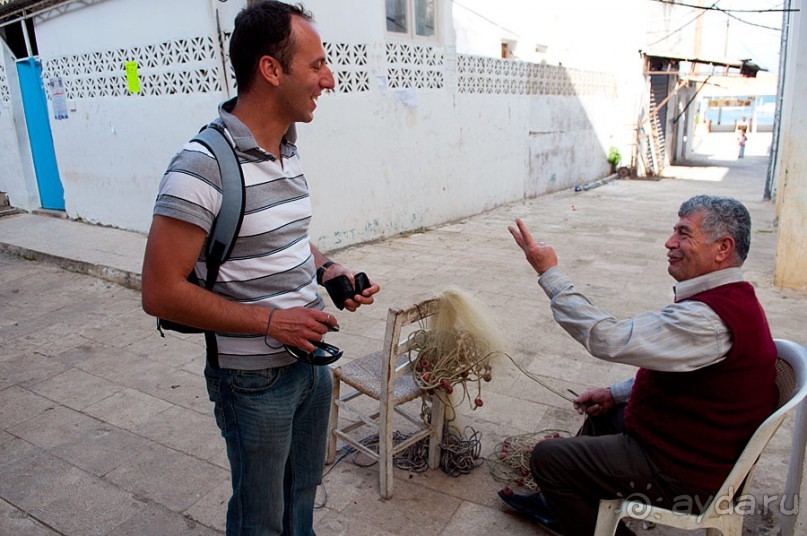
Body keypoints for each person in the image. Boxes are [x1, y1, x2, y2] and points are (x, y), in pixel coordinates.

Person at [141, 2, 380, 534]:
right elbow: (159, 292)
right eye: (316, 65)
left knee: (301, 499)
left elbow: (286, 238)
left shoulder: (286, 148)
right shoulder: (199, 166)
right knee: (260, 518)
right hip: (253, 382)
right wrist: (273, 323)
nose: (329, 79)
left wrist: (328, 270)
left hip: (310, 363)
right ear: (271, 70)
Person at [502, 195, 778, 536]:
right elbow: (680, 367)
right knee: (603, 412)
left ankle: (584, 512)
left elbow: (609, 338)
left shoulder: (708, 319)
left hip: (687, 476)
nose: (670, 242)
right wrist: (614, 393)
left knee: (549, 459)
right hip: (693, 445)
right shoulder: (730, 298)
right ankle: (562, 505)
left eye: (683, 233)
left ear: (722, 248)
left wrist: (550, 273)